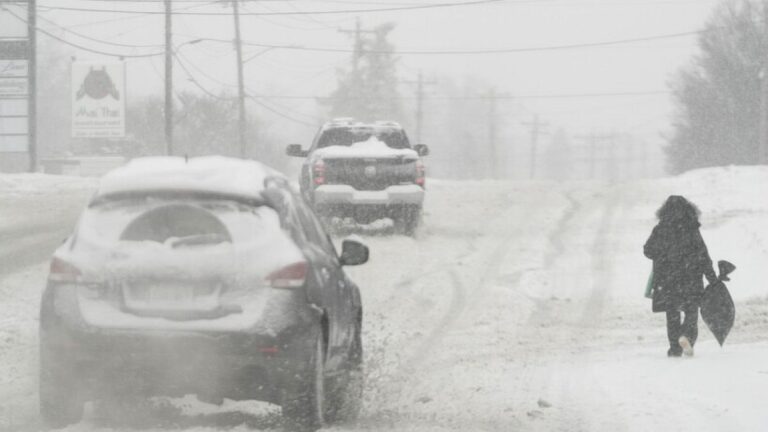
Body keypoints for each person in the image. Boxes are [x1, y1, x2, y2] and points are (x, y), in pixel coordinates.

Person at [644, 195, 717, 357]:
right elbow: (703, 254)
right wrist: (711, 277)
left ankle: (674, 348)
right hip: (691, 277)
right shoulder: (692, 228)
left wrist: (663, 255)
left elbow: (648, 250)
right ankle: (687, 337)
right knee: (691, 311)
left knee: (672, 314)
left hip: (668, 279)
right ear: (688, 209)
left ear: (665, 210)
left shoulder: (661, 228)